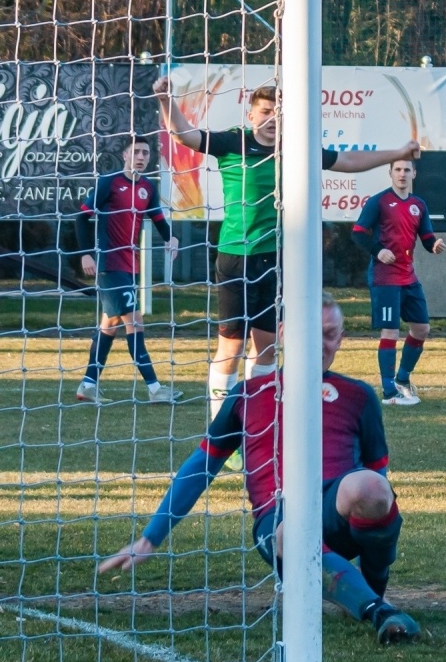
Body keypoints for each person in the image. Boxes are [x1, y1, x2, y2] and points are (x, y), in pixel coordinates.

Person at [97, 293, 420, 644]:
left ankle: (371, 590)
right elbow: (201, 466)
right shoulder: (248, 394)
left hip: (336, 512)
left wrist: (377, 527)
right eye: (309, 332)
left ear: (340, 339)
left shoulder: (358, 396)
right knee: (291, 532)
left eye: (329, 334)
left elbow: (379, 480)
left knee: (371, 487)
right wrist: (150, 537)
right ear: (282, 333)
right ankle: (378, 611)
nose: (320, 343)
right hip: (277, 522)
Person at [153, 76, 419, 423]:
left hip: (276, 262)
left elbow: (348, 160)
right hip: (236, 258)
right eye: (265, 111)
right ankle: (221, 428)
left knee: (266, 348)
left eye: (278, 112)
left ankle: (254, 423)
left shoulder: (296, 148)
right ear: (251, 115)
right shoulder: (233, 141)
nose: (272, 118)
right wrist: (166, 100)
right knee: (231, 348)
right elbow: (185, 136)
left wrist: (399, 152)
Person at [73, 135, 182, 404]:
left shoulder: (148, 187)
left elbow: (158, 219)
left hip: (130, 264)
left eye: (145, 153)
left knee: (110, 324)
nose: (141, 157)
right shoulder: (109, 182)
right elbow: (81, 217)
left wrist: (171, 237)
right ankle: (155, 389)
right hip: (109, 263)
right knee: (134, 320)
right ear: (125, 155)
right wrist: (86, 253)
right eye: (136, 152)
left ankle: (88, 385)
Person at [353, 158, 443, 404]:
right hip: (385, 277)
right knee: (391, 331)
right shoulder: (379, 201)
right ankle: (389, 392)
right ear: (390, 173)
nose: (402, 174)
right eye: (398, 170)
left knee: (422, 329)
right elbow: (358, 233)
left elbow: (426, 237)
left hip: (408, 276)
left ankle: (402, 379)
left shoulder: (419, 205)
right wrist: (378, 251)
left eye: (406, 170)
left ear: (414, 173)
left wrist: (434, 245)